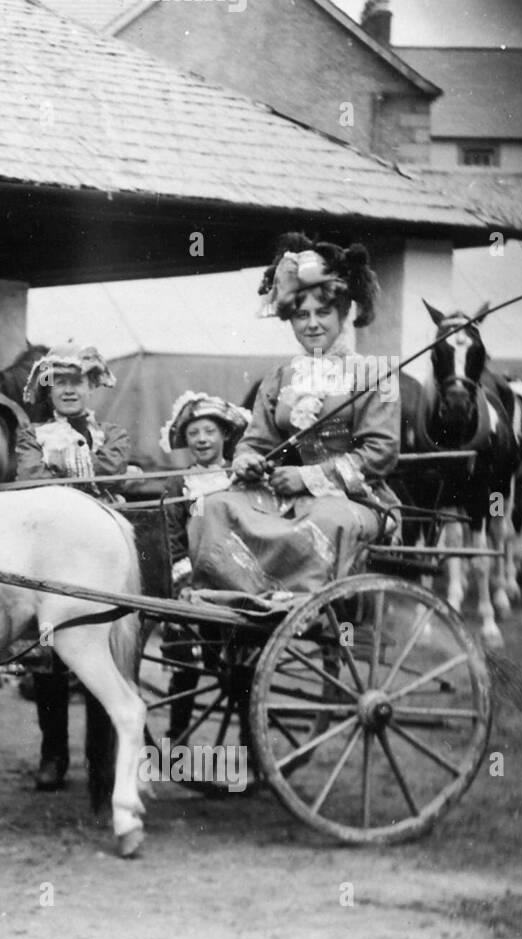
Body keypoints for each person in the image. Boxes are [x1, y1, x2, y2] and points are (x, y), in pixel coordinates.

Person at [191, 235, 400, 596]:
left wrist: (307, 477)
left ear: (343, 312)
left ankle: (292, 604)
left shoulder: (376, 373)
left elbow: (381, 453)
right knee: (214, 507)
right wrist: (247, 461)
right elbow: (255, 441)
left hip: (358, 499)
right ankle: (236, 599)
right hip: (290, 498)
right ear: (290, 320)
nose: (312, 324)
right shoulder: (279, 377)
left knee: (324, 520)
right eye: (301, 315)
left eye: (323, 313)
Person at [14, 345, 132, 796]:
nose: (67, 389)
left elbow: (112, 469)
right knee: (49, 655)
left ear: (91, 386)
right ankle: (53, 753)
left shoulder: (113, 433)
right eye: (57, 383)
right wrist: (75, 477)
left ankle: (101, 761)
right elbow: (28, 479)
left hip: (100, 554)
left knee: (102, 652)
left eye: (76, 382)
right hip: (49, 551)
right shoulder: (32, 435)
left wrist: (58, 470)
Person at [156, 392, 250, 742]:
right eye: (194, 433)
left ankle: (251, 745)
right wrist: (183, 583)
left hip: (237, 583)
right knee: (186, 668)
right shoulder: (178, 484)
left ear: (225, 435)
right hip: (194, 584)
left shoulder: (240, 478)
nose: (202, 440)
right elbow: (172, 537)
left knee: (246, 668)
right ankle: (177, 739)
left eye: (209, 431)